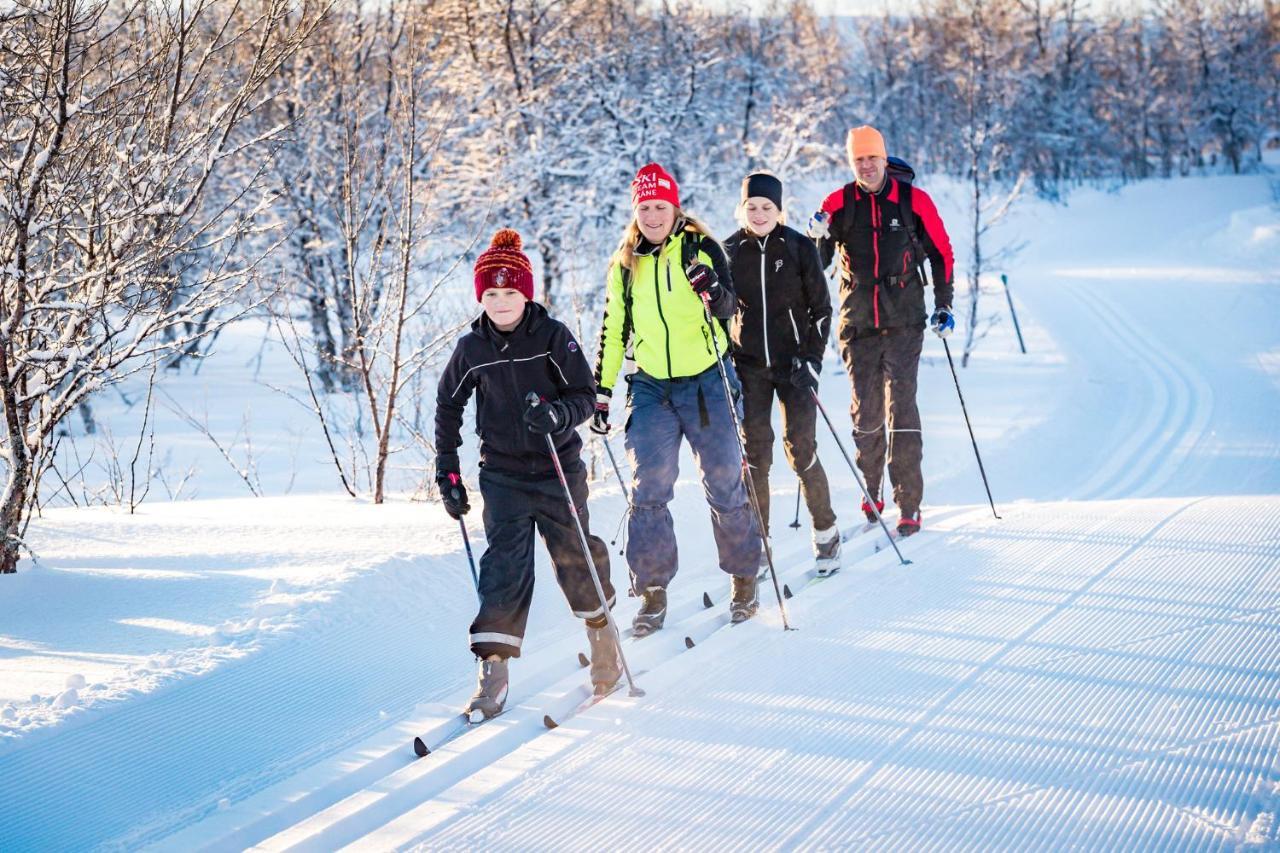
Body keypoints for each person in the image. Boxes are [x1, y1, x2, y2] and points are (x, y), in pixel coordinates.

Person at [435, 228, 619, 721]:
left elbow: (584, 394)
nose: (500, 302)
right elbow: (447, 407)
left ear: (526, 293)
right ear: (480, 296)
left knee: (573, 557)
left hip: (557, 468)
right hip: (503, 474)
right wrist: (446, 469)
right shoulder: (471, 348)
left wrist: (558, 416)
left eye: (509, 292)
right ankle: (492, 669)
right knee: (505, 567)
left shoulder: (554, 337)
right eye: (490, 293)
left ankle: (604, 637)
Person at [592, 163, 763, 633]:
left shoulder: (700, 248)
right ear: (636, 211)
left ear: (674, 206)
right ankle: (651, 591)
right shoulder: (625, 266)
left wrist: (710, 291)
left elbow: (730, 308)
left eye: (659, 206)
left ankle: (745, 576)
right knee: (648, 486)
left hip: (707, 378)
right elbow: (612, 332)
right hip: (651, 386)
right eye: (644, 207)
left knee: (724, 480)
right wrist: (602, 391)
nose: (652, 215)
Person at [807, 125, 955, 537]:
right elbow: (817, 263)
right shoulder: (838, 202)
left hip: (905, 320)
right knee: (865, 412)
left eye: (872, 158)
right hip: (857, 323)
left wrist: (944, 304)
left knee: (902, 410)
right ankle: (871, 488)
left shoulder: (913, 201)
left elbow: (942, 252)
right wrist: (815, 236)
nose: (866, 166)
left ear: (884, 159)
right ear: (851, 162)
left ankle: (909, 503)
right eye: (859, 159)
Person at [723, 171, 840, 574]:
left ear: (779, 210)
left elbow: (823, 310)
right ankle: (759, 544)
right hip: (749, 367)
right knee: (755, 456)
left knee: (801, 449)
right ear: (742, 209)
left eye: (766, 207)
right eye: (751, 207)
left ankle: (826, 534)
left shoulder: (799, 248)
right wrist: (727, 360)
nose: (758, 214)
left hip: (795, 367)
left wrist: (812, 359)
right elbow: (716, 314)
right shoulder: (729, 251)